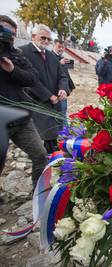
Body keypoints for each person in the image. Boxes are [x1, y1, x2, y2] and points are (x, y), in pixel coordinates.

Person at [0, 15, 48, 187]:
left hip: (21, 120)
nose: (8, 37)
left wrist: (13, 70)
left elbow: (33, 78)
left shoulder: (17, 55)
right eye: (4, 31)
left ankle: (38, 193)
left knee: (40, 155)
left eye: (12, 34)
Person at [20, 24, 69, 153]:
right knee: (43, 134)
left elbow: (62, 75)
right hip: (36, 102)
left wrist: (63, 88)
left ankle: (52, 160)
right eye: (43, 38)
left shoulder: (52, 56)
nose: (46, 41)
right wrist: (48, 95)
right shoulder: (23, 52)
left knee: (54, 134)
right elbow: (29, 80)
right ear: (33, 36)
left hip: (55, 102)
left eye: (48, 39)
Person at [52, 39, 75, 124]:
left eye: (63, 47)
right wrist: (59, 64)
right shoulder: (50, 56)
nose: (61, 49)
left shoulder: (62, 58)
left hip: (63, 89)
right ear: (53, 46)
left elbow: (65, 75)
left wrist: (70, 87)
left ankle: (64, 131)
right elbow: (50, 72)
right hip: (56, 90)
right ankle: (64, 133)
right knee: (61, 113)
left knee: (63, 111)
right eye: (59, 47)